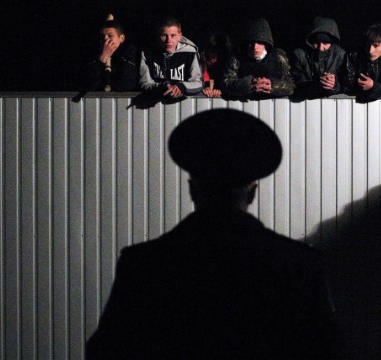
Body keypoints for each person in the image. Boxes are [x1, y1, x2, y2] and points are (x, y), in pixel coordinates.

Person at [86, 109, 341, 359]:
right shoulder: (300, 265)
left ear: (192, 191)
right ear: (252, 193)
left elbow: (106, 350)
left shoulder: (143, 264)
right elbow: (327, 349)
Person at [222, 18, 294, 99]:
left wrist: (273, 85)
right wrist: (249, 84)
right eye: (251, 43)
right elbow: (226, 83)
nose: (255, 47)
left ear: (266, 44)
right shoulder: (237, 57)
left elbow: (291, 85)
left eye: (259, 42)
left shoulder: (278, 56)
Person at [138, 17, 203, 99]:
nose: (168, 40)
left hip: (183, 105)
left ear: (180, 36)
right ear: (158, 36)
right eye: (164, 35)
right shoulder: (148, 52)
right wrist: (162, 86)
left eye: (173, 35)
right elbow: (144, 83)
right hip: (154, 105)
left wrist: (181, 87)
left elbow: (198, 83)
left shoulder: (190, 52)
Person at [291, 17, 347, 99]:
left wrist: (334, 85)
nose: (321, 47)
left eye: (325, 43)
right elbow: (294, 83)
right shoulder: (300, 54)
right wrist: (316, 85)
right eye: (316, 42)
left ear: (332, 42)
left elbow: (347, 85)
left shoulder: (340, 55)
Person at [87, 18, 140, 92]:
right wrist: (103, 59)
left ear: (121, 38)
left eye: (110, 35)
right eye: (102, 36)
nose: (105, 38)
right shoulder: (93, 52)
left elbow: (126, 84)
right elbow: (88, 84)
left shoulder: (129, 52)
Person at [199, 31, 232, 98]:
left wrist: (221, 91)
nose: (216, 56)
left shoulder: (227, 65)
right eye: (213, 51)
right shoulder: (199, 64)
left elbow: (228, 84)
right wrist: (204, 89)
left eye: (220, 52)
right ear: (206, 50)